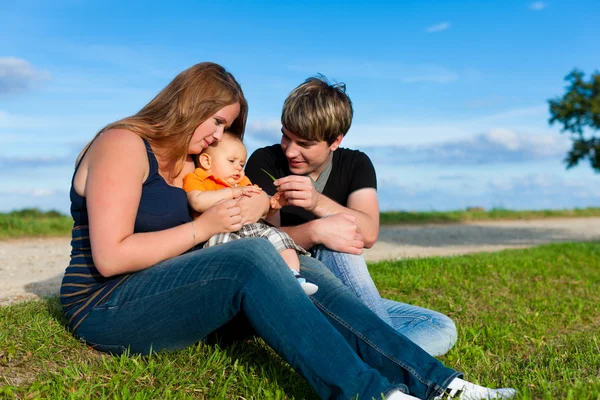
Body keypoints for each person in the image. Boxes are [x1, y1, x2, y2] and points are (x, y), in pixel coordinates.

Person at [60, 62, 516, 400]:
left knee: (305, 268)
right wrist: (204, 226)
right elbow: (111, 257)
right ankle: (370, 394)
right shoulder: (122, 144)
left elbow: (228, 200)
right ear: (187, 106)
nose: (219, 137)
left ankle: (442, 385)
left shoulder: (186, 161)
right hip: (107, 305)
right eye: (217, 121)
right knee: (254, 258)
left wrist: (256, 203)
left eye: (228, 127)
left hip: (173, 290)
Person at [245, 76, 458, 357]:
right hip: (294, 280)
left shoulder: (356, 164)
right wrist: (316, 231)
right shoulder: (265, 161)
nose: (290, 150)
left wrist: (318, 202)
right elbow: (261, 243)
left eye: (305, 143)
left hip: (339, 288)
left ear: (335, 140)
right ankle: (385, 356)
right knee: (340, 238)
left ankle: (360, 351)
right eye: (286, 136)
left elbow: (368, 233)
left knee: (438, 326)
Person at [182, 131, 318, 295]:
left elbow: (257, 209)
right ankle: (226, 287)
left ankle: (293, 275)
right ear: (206, 161)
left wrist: (272, 205)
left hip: (251, 228)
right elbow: (198, 202)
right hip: (219, 231)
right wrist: (233, 193)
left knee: (280, 237)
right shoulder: (198, 178)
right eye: (231, 161)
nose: (238, 168)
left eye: (241, 164)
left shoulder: (242, 182)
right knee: (224, 247)